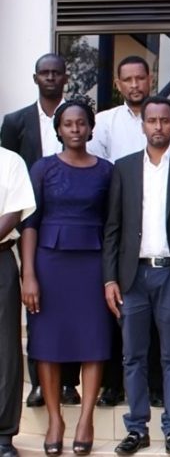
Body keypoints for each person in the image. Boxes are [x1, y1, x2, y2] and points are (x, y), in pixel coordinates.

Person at [103, 96, 170, 455]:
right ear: (143, 125)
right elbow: (113, 228)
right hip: (132, 278)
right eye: (152, 120)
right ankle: (137, 429)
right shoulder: (124, 168)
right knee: (133, 356)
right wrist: (110, 279)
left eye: (165, 120)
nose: (158, 126)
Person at [90, 55, 170, 408]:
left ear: (150, 79)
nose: (134, 85)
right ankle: (115, 388)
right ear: (118, 84)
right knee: (124, 328)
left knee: (164, 332)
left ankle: (159, 391)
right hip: (123, 224)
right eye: (127, 79)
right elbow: (99, 171)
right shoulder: (105, 122)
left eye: (140, 78)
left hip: (163, 239)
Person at [20, 101, 113, 456]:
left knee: (94, 338)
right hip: (49, 264)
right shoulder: (42, 168)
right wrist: (29, 274)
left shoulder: (106, 171)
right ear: (58, 130)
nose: (75, 129)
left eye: (81, 123)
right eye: (68, 124)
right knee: (48, 341)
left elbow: (113, 224)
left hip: (92, 264)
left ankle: (86, 420)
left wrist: (111, 276)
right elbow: (30, 224)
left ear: (90, 128)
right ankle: (55, 420)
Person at [0, 53, 81, 408]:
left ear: (66, 78)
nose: (50, 77)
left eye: (56, 73)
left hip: (69, 221)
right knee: (35, 303)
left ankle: (68, 383)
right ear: (35, 78)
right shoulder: (15, 121)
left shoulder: (75, 116)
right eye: (44, 73)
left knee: (71, 304)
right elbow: (8, 175)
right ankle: (38, 382)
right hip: (28, 223)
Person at [0, 146, 36, 457]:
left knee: (5, 350)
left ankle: (3, 434)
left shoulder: (10, 161)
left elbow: (13, 214)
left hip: (0, 260)